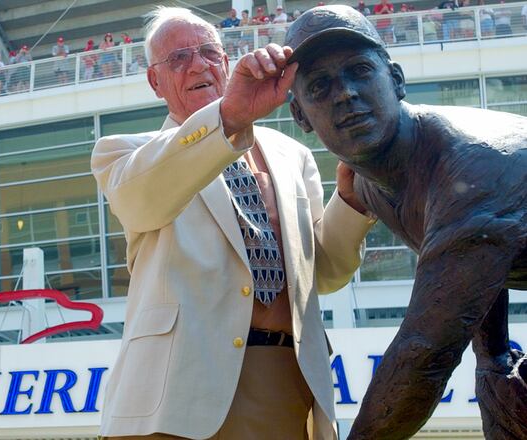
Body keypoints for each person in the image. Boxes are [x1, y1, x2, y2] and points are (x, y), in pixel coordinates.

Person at [92, 6, 373, 439]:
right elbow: (140, 203)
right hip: (173, 394)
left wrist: (351, 202)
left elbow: (326, 273)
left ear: (225, 63)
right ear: (155, 82)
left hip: (284, 383)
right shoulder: (125, 153)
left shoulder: (291, 155)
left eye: (208, 52)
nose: (199, 64)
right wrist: (229, 120)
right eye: (179, 58)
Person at [285, 6, 527, 439]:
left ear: (395, 80)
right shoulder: (374, 180)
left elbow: (424, 352)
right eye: (320, 86)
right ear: (301, 116)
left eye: (360, 71)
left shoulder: (467, 165)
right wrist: (495, 365)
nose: (345, 94)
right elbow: (476, 279)